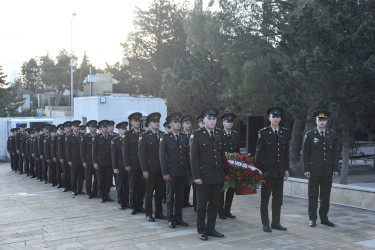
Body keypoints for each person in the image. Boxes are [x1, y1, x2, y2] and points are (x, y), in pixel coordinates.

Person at [190, 106, 226, 241]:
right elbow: (193, 158)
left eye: (214, 119)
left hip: (217, 176)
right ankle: (202, 230)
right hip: (203, 177)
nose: (212, 121)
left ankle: (211, 228)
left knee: (215, 204)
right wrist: (196, 176)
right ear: (203, 120)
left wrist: (225, 173)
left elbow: (221, 155)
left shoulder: (218, 133)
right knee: (201, 206)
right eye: (209, 119)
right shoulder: (197, 135)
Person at [255, 107, 290, 233]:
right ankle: (265, 223)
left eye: (277, 117)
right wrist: (258, 171)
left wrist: (286, 168)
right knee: (265, 199)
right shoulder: (263, 132)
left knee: (278, 199)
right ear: (269, 118)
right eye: (273, 116)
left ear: (280, 118)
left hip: (280, 172)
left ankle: (276, 222)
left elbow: (286, 153)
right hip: (267, 172)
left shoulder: (284, 132)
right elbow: (259, 152)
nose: (275, 119)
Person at [303, 110, 339, 228]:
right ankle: (312, 218)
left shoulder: (332, 135)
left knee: (325, 195)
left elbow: (335, 153)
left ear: (327, 121)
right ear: (316, 121)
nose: (322, 122)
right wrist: (306, 169)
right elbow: (306, 154)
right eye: (319, 120)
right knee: (313, 195)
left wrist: (335, 168)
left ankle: (324, 218)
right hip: (314, 170)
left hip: (327, 171)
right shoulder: (310, 134)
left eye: (324, 120)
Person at [160, 112, 190, 228]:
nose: (178, 124)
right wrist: (165, 172)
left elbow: (187, 155)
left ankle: (179, 217)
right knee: (170, 197)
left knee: (180, 196)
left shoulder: (183, 137)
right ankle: (170, 218)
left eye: (179, 122)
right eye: (175, 122)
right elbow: (162, 157)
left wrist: (188, 169)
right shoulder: (165, 138)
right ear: (170, 125)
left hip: (182, 172)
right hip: (171, 172)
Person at [139, 112, 167, 222]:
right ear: (149, 124)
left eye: (157, 122)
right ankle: (149, 213)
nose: (156, 124)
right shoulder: (145, 136)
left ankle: (159, 212)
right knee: (149, 192)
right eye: (154, 122)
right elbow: (141, 155)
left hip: (161, 169)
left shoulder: (162, 135)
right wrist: (144, 170)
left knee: (160, 192)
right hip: (150, 169)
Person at [123, 112, 146, 215]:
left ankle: (140, 205)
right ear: (131, 122)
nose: (138, 123)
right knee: (133, 187)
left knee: (142, 186)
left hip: (143, 165)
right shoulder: (127, 135)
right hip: (133, 164)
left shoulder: (144, 133)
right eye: (136, 121)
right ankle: (133, 206)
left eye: (139, 121)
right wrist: (127, 164)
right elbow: (125, 151)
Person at [219, 112, 240, 220]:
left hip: (233, 167)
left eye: (231, 122)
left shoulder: (235, 135)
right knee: (222, 189)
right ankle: (220, 211)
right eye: (228, 121)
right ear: (223, 123)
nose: (230, 123)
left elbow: (238, 152)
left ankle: (227, 210)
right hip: (222, 166)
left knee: (231, 189)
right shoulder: (219, 135)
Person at [92, 120, 114, 203]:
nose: (106, 128)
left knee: (108, 180)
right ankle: (101, 195)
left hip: (109, 162)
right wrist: (95, 162)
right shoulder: (97, 138)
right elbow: (94, 151)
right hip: (100, 162)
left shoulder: (111, 137)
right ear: (100, 128)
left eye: (107, 127)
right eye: (104, 127)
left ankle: (107, 195)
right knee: (100, 180)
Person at [112, 121, 130, 209]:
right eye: (123, 129)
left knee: (127, 185)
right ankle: (120, 202)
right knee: (120, 185)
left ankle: (126, 200)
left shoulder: (127, 139)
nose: (124, 130)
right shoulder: (115, 140)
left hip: (127, 166)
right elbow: (114, 155)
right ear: (118, 130)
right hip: (119, 166)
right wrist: (115, 167)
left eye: (125, 128)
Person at [66, 120, 85, 196]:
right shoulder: (69, 137)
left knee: (81, 176)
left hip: (81, 159)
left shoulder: (82, 136)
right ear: (72, 127)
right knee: (73, 175)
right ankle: (74, 189)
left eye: (78, 126)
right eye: (75, 126)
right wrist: (69, 160)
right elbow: (68, 150)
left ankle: (80, 189)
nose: (77, 128)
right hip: (73, 159)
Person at [81, 120, 98, 199]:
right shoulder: (85, 137)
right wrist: (83, 161)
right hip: (88, 161)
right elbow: (82, 150)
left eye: (95, 127)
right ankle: (89, 192)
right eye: (92, 127)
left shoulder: (98, 136)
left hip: (97, 161)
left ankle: (95, 192)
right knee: (88, 177)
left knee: (97, 177)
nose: (94, 128)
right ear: (89, 128)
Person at [181, 115, 194, 208]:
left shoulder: (193, 134)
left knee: (189, 183)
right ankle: (181, 201)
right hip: (184, 163)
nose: (189, 125)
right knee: (182, 184)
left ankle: (186, 200)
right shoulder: (181, 135)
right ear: (182, 125)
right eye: (187, 123)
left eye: (189, 123)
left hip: (192, 163)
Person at [59, 121, 71, 191]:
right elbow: (60, 148)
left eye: (69, 128)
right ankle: (65, 186)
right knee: (65, 172)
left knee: (71, 173)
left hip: (71, 158)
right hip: (64, 157)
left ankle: (71, 186)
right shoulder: (62, 137)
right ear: (64, 129)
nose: (68, 129)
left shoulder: (72, 136)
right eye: (67, 128)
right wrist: (60, 157)